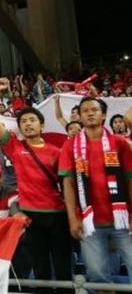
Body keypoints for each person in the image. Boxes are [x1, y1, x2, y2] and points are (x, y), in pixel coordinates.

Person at [0, 78, 71, 286]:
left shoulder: (57, 152)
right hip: (31, 217)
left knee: (63, 270)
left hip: (58, 215)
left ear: (42, 125)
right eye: (23, 122)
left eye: (32, 120)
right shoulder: (14, 148)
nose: (27, 124)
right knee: (41, 269)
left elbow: (68, 184)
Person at [59, 97, 132, 287]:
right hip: (89, 222)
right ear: (80, 117)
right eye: (85, 111)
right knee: (98, 276)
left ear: (104, 115)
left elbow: (130, 180)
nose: (90, 113)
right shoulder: (70, 145)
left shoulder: (120, 143)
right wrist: (72, 219)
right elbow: (68, 183)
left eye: (94, 110)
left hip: (123, 220)